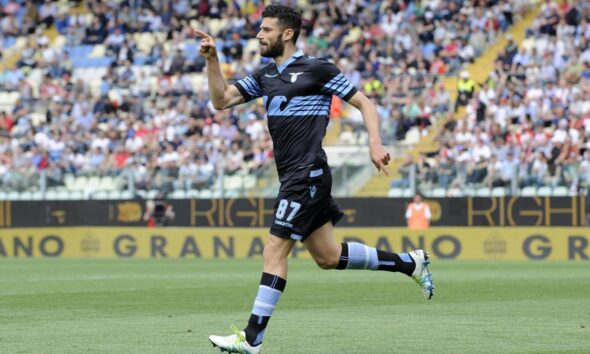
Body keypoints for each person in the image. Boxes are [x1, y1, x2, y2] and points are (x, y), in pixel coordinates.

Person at [196, 5, 434, 353]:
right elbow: (221, 100)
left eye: (266, 29)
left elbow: (365, 103)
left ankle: (252, 338)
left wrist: (374, 143)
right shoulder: (266, 76)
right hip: (297, 176)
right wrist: (212, 60)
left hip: (305, 175)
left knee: (274, 249)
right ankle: (408, 262)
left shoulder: (318, 69)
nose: (259, 35)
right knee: (327, 256)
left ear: (287, 34)